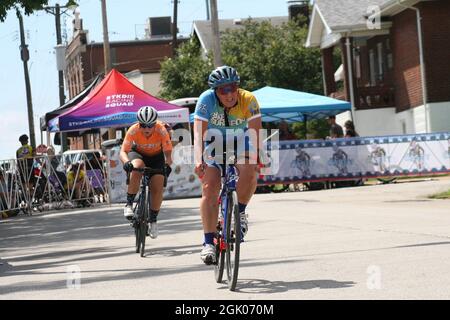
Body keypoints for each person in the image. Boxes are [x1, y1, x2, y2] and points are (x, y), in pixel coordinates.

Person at [193, 65, 263, 265]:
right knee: (210, 186)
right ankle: (208, 242)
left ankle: (239, 212)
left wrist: (255, 156)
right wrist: (199, 159)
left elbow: (255, 133)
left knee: (249, 169)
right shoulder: (206, 100)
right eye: (224, 90)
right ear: (216, 91)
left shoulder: (248, 100)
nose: (230, 94)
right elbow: (198, 133)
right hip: (213, 142)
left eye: (232, 87)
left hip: (240, 141)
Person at [119, 106, 173, 239]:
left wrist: (167, 164)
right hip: (138, 154)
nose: (147, 129)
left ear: (155, 124)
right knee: (136, 167)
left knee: (158, 186)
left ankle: (153, 220)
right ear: (139, 124)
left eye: (150, 125)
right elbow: (123, 151)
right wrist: (126, 162)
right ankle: (129, 204)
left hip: (156, 157)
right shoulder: (133, 130)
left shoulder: (161, 130)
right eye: (143, 125)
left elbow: (168, 153)